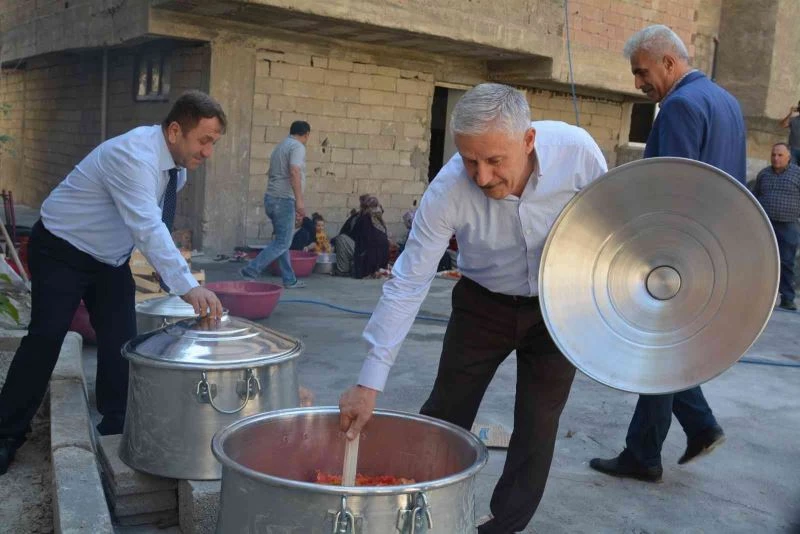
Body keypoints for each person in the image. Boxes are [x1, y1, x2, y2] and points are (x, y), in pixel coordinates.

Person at [338, 83, 608, 534]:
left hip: (558, 307)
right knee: (448, 409)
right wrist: (370, 381)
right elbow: (408, 281)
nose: (481, 177)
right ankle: (418, 506)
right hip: (482, 306)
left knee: (537, 424)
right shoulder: (448, 190)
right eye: (469, 160)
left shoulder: (577, 153)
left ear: (528, 141)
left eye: (494, 161)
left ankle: (504, 525)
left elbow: (609, 223)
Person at [0, 90, 226, 475]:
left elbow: (145, 222)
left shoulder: (176, 169)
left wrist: (169, 273)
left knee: (121, 339)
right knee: (46, 338)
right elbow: (147, 226)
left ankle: (116, 421)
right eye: (204, 140)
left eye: (214, 143)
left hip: (109, 259)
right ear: (175, 130)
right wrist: (188, 285)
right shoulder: (132, 156)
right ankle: (6, 434)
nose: (208, 152)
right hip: (62, 249)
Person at [589, 24, 740, 483]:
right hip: (715, 247)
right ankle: (691, 430)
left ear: (669, 63)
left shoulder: (679, 107)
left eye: (641, 71)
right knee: (667, 346)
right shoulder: (726, 102)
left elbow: (669, 192)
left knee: (657, 349)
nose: (638, 83)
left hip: (678, 251)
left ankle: (652, 450)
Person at [241, 120, 311, 288]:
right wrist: (300, 201)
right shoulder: (297, 147)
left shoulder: (281, 146)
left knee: (282, 242)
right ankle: (250, 271)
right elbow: (294, 171)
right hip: (283, 200)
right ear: (307, 134)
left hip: (272, 198)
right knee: (282, 243)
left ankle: (289, 279)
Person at [752, 143, 800, 311]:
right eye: (773, 154)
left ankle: (787, 298)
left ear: (789, 157)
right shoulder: (764, 174)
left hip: (789, 225)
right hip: (766, 225)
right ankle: (760, 296)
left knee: (786, 262)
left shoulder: (797, 175)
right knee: (763, 261)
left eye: (780, 155)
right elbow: (755, 196)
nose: (776, 158)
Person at [351, 195, 390, 279]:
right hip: (382, 256)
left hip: (369, 256)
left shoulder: (364, 218)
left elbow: (356, 235)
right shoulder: (379, 217)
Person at [779, 100, 800, 164]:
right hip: (792, 150)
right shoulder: (793, 119)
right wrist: (790, 113)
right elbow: (783, 125)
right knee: (791, 169)